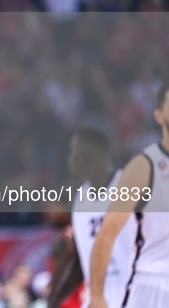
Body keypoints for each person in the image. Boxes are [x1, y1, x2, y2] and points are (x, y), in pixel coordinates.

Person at [89, 82, 169, 308]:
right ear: (159, 116)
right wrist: (96, 296)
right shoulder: (143, 167)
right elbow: (106, 234)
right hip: (151, 285)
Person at [48, 128, 136, 308]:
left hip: (136, 296)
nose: (69, 158)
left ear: (87, 154)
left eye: (73, 151)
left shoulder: (130, 187)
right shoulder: (79, 200)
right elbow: (81, 265)